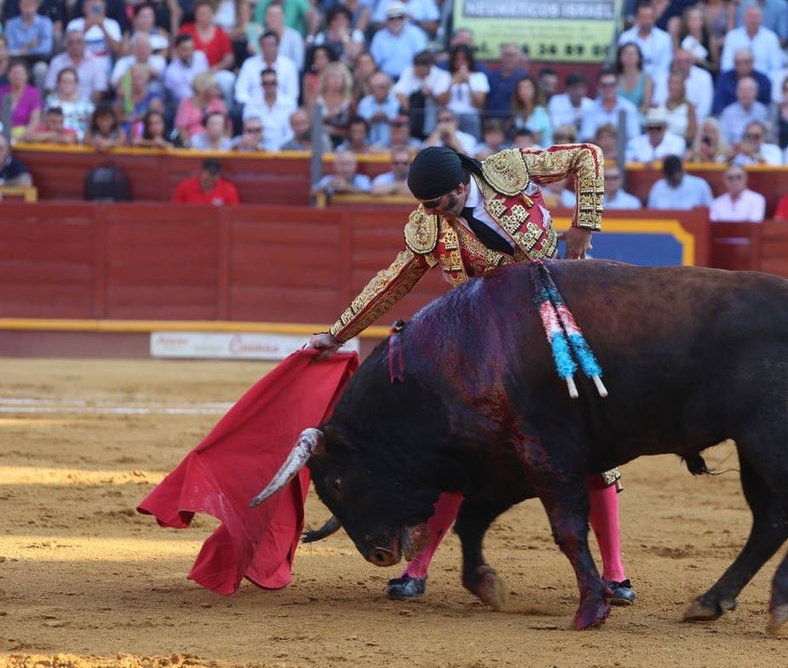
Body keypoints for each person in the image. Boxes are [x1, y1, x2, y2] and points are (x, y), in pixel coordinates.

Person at [305, 143, 634, 605]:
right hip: (489, 345)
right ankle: (417, 568)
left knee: (591, 451)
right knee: (457, 451)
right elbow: (392, 281)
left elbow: (589, 155)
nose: (431, 212)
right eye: (425, 204)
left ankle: (616, 574)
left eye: (438, 203)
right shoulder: (428, 224)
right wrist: (336, 335)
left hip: (553, 323)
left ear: (462, 186)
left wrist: (584, 223)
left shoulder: (509, 170)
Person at [647, 155, 714, 210]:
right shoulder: (658, 187)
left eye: (674, 179)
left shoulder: (699, 185)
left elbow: (710, 211)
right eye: (670, 179)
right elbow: (652, 213)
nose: (672, 182)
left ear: (682, 171)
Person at [172, 158, 240, 206]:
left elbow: (233, 215)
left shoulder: (229, 190)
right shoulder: (185, 187)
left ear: (219, 176)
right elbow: (175, 211)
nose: (209, 181)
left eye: (213, 177)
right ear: (201, 173)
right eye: (207, 178)